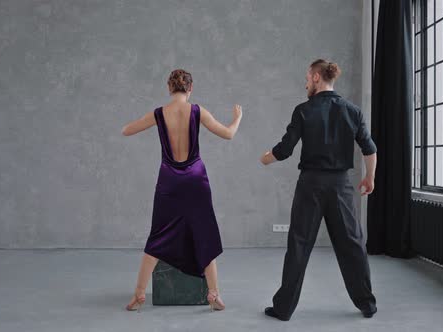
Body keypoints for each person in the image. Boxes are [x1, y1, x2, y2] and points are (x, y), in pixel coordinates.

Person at [260, 59, 378, 320]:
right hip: (341, 186)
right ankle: (367, 304)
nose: (305, 82)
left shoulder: (303, 110)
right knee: (352, 244)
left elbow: (286, 148)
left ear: (315, 77)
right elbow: (369, 149)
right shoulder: (353, 111)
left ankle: (283, 309)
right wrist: (370, 177)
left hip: (310, 185)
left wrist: (267, 157)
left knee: (299, 244)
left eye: (307, 77)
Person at [121, 69, 243, 312]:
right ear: (190, 88)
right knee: (204, 233)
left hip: (168, 180)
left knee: (159, 235)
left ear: (169, 88)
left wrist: (142, 121)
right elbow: (228, 134)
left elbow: (126, 130)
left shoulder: (159, 114)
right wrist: (237, 117)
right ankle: (214, 295)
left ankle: (138, 295)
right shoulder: (197, 111)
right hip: (196, 179)